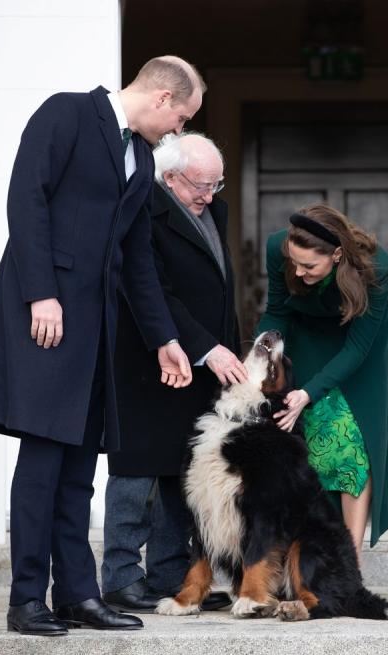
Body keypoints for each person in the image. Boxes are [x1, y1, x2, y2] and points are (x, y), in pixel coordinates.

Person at [0, 56, 204, 636]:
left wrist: (164, 340)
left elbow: (138, 261)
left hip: (97, 327)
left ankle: (77, 593)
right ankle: (26, 599)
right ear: (160, 97)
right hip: (45, 317)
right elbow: (26, 200)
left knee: (80, 469)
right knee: (43, 461)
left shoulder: (143, 156)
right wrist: (41, 294)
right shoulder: (67, 113)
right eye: (180, 116)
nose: (177, 129)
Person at [101, 133, 242, 613]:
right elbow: (155, 292)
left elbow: (219, 295)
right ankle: (120, 578)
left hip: (201, 364)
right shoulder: (144, 210)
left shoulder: (212, 212)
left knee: (182, 474)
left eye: (216, 185)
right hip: (149, 359)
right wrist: (207, 348)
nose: (209, 195)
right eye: (200, 185)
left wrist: (222, 351)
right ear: (169, 177)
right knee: (135, 470)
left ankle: (168, 575)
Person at [256, 204, 388, 562]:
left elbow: (357, 348)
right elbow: (277, 310)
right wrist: (264, 357)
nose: (298, 271)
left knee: (353, 443)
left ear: (337, 255)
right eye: (295, 263)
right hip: (307, 337)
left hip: (358, 347)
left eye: (309, 266)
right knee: (311, 440)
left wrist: (309, 392)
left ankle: (347, 563)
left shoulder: (377, 268)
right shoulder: (280, 248)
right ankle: (305, 555)